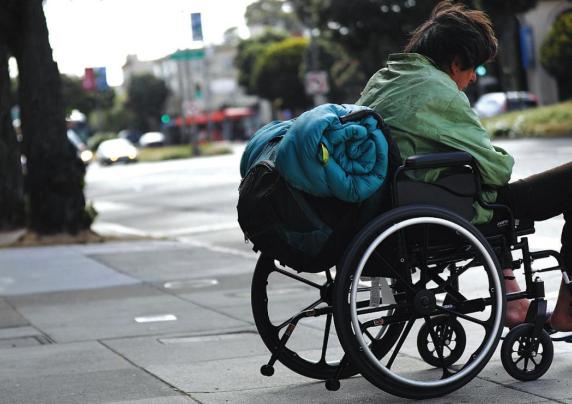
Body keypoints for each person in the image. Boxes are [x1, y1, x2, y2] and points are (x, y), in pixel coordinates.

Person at [356, 0, 572, 330]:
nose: (472, 78)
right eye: (472, 68)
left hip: (391, 211)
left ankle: (512, 298)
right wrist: (497, 156)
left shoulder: (384, 79)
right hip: (448, 211)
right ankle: (565, 310)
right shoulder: (436, 89)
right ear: (455, 62)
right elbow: (499, 170)